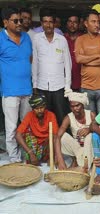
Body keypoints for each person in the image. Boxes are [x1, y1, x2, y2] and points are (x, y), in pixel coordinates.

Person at [0, 7, 33, 162]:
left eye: (21, 20)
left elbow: (30, 60)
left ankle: (27, 155)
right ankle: (14, 158)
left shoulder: (27, 38)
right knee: (12, 127)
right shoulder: (0, 39)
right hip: (10, 91)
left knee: (26, 126)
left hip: (27, 89)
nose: (20, 23)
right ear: (6, 22)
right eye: (16, 21)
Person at [32, 9, 71, 125]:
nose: (48, 25)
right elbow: (34, 63)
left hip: (59, 86)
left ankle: (62, 141)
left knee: (61, 116)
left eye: (50, 22)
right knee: (44, 117)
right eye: (45, 22)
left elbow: (68, 64)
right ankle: (46, 141)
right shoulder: (37, 39)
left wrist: (67, 86)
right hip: (42, 85)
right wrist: (34, 85)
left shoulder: (62, 40)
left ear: (54, 23)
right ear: (41, 23)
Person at [75, 10, 100, 114]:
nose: (97, 24)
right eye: (93, 21)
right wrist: (96, 55)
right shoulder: (80, 39)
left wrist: (87, 61)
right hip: (86, 87)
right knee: (90, 121)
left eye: (98, 22)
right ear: (86, 24)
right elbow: (78, 59)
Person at [55, 90, 96, 170]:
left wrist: (89, 129)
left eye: (77, 105)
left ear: (83, 105)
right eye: (72, 106)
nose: (75, 109)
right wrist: (60, 160)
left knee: (90, 136)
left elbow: (99, 130)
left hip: (90, 147)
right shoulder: (68, 118)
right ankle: (78, 160)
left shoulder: (91, 115)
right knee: (61, 137)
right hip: (77, 148)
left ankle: (84, 165)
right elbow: (58, 137)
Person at [15, 95, 58, 166]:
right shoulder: (29, 115)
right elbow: (18, 135)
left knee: (54, 136)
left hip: (47, 144)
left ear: (45, 106)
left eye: (41, 108)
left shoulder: (51, 115)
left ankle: (48, 157)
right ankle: (35, 156)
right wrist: (30, 153)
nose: (39, 110)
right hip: (35, 143)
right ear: (32, 109)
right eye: (36, 109)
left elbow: (56, 135)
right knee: (27, 134)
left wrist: (55, 156)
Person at [64, 13, 82, 91]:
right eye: (70, 22)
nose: (72, 24)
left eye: (75, 22)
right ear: (67, 23)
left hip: (81, 81)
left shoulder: (83, 38)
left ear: (78, 24)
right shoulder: (62, 39)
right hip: (64, 81)